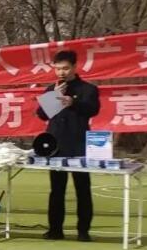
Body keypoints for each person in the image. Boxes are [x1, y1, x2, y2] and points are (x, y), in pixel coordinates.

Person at [36, 49, 100, 242]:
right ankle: (55, 230)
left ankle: (83, 231)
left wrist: (73, 102)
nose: (61, 72)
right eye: (57, 69)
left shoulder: (88, 89)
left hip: (79, 144)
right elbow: (42, 114)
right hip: (55, 145)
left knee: (83, 188)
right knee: (57, 189)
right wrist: (53, 97)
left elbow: (93, 109)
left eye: (65, 68)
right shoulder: (51, 89)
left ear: (74, 67)